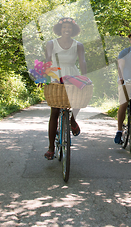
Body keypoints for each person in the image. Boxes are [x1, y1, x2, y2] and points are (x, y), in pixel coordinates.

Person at [44, 17, 87, 160]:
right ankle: (51, 147)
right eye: (64, 28)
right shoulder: (51, 43)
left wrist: (85, 77)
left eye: (69, 27)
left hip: (72, 74)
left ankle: (72, 120)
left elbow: (82, 61)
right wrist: (48, 75)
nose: (67, 30)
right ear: (60, 29)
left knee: (78, 100)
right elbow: (48, 59)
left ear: (73, 30)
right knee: (55, 111)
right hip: (56, 74)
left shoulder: (78, 45)